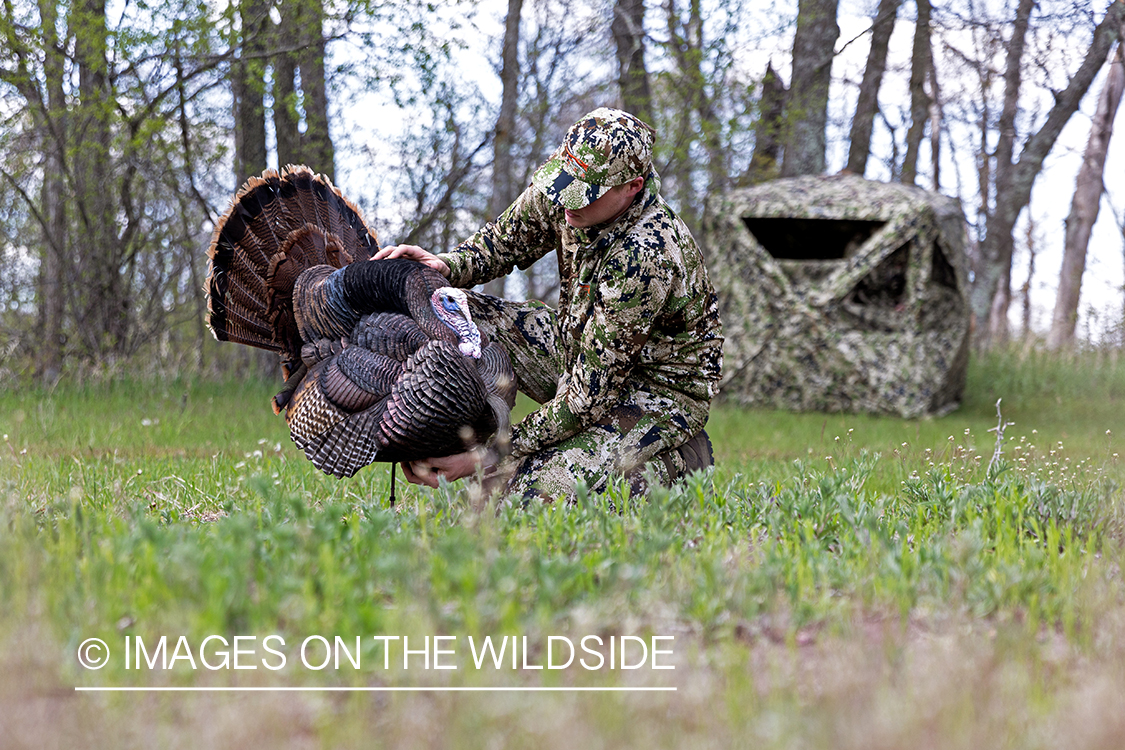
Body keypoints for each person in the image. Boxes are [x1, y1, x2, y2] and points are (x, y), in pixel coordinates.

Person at [374, 107, 724, 501]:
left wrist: (486, 457)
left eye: (585, 192)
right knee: (445, 309)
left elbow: (584, 401)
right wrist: (446, 266)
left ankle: (679, 461)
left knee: (525, 499)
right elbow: (505, 240)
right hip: (577, 347)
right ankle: (456, 436)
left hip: (653, 391)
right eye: (564, 182)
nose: (567, 201)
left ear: (632, 187)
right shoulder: (569, 190)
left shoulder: (646, 255)